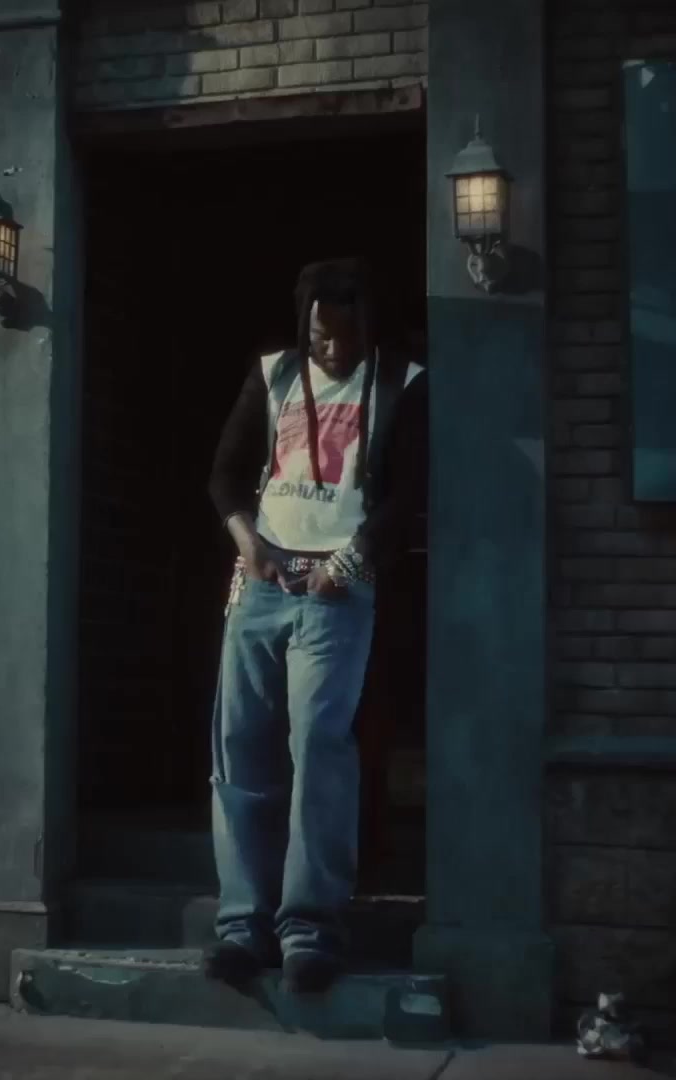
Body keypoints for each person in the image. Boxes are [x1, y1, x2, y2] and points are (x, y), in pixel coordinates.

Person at [201, 258, 429, 993]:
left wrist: (352, 561)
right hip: (261, 584)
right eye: (320, 335)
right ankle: (243, 927)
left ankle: (309, 931)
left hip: (338, 589)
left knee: (320, 750)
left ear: (370, 325)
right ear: (303, 323)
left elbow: (409, 496)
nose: (332, 349)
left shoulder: (400, 381)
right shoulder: (272, 374)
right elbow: (226, 475)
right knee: (240, 752)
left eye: (346, 336)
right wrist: (247, 543)